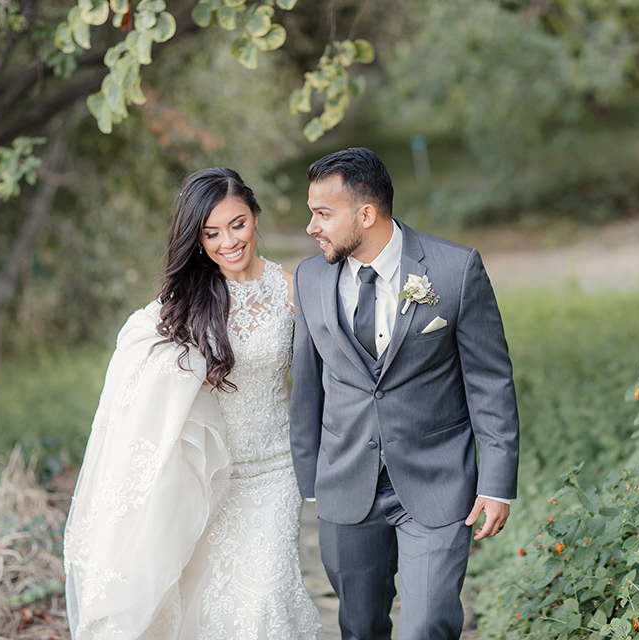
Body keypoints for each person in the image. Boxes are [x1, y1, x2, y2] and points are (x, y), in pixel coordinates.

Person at [64, 167, 322, 639]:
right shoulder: (183, 302)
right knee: (207, 605)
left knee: (265, 596)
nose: (228, 241)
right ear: (197, 238)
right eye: (212, 232)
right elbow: (137, 365)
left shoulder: (291, 289)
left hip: (273, 469)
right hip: (206, 474)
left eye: (237, 223)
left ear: (256, 217)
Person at [289, 148, 519, 640]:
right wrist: (311, 479)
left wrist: (496, 481)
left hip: (436, 480)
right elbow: (306, 385)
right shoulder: (310, 279)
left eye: (323, 213)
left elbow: (490, 381)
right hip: (347, 484)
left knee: (427, 625)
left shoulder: (456, 271)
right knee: (360, 626)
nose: (312, 227)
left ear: (366, 214)